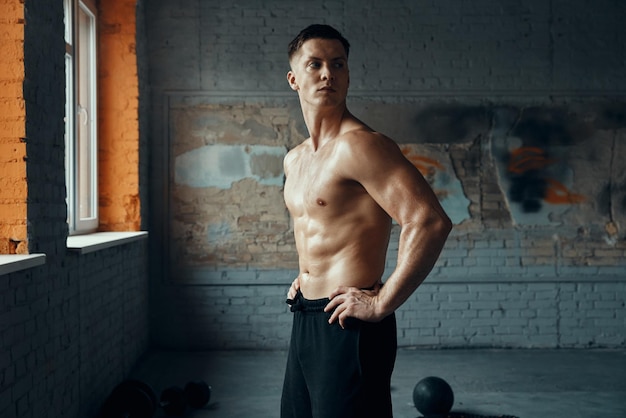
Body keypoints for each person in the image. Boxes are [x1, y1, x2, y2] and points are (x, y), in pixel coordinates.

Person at [280, 24, 452, 418]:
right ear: (294, 79)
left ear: (348, 75)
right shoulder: (296, 158)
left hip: (350, 325)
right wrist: (306, 276)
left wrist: (381, 304)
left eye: (338, 64)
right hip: (305, 316)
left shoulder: (362, 146)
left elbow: (428, 221)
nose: (328, 74)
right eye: (316, 64)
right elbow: (319, 226)